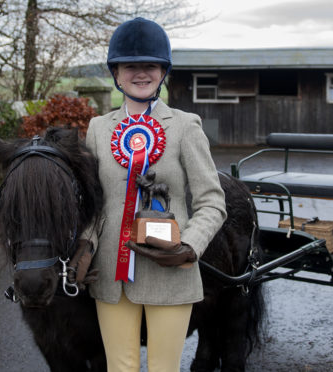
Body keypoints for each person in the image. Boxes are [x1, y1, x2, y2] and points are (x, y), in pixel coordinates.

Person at [83, 17, 227, 372]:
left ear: (163, 72)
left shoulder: (185, 126)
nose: (141, 73)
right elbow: (91, 203)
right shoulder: (98, 129)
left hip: (170, 270)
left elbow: (212, 201)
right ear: (116, 74)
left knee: (164, 368)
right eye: (130, 66)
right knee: (120, 367)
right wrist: (85, 247)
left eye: (150, 65)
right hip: (110, 275)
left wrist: (190, 246)